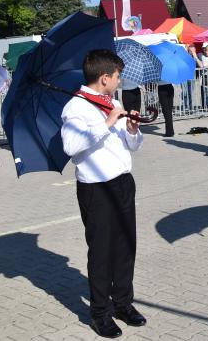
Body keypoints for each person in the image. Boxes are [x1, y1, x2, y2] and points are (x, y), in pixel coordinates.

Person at [60, 50, 146, 338]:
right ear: (105, 77)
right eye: (118, 76)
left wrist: (132, 130)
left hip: (122, 182)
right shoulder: (76, 106)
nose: (120, 81)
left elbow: (131, 145)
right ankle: (100, 313)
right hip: (96, 188)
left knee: (125, 247)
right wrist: (107, 123)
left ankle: (123, 303)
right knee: (101, 253)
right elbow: (71, 146)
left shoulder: (113, 102)